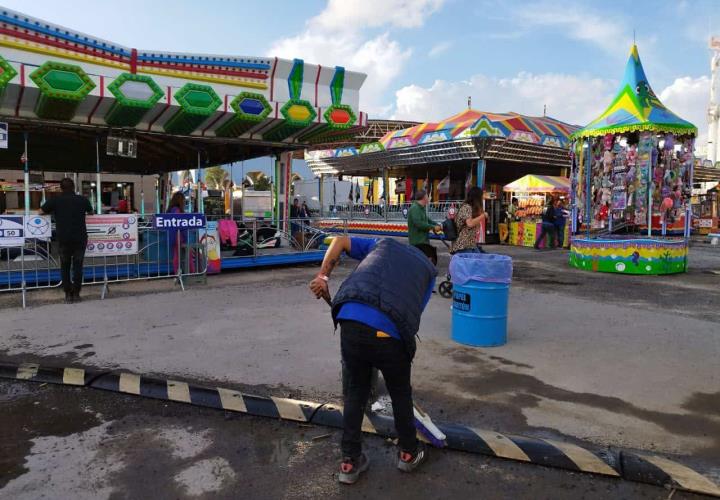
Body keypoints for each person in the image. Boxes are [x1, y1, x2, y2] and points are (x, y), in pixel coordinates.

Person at [309, 236, 436, 485]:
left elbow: (340, 241)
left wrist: (323, 277)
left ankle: (349, 461)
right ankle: (409, 453)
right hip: (389, 328)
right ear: (431, 259)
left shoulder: (384, 244)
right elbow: (411, 316)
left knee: (355, 391)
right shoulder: (428, 271)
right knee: (399, 391)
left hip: (350, 315)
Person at [40, 178, 93, 303]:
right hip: (80, 238)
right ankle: (77, 294)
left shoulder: (55, 200)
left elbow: (40, 212)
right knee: (78, 266)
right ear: (74, 187)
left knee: (65, 266)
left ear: (61, 188)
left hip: (63, 238)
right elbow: (91, 212)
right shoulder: (82, 200)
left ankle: (68, 294)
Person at [407, 189, 441, 265]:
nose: (429, 198)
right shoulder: (415, 208)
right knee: (423, 262)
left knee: (426, 261)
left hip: (423, 241)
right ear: (424, 198)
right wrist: (433, 227)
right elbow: (419, 224)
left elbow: (427, 220)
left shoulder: (421, 208)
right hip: (418, 242)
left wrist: (436, 225)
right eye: (427, 196)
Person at [450, 186, 487, 254]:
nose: (483, 198)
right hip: (463, 246)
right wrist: (483, 216)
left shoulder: (470, 208)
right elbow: (470, 224)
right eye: (482, 196)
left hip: (470, 245)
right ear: (477, 198)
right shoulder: (466, 207)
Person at [166, 192, 189, 274]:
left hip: (173, 235)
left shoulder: (171, 210)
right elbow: (180, 224)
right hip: (179, 236)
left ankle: (178, 273)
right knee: (182, 255)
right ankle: (187, 273)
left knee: (176, 255)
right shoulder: (177, 210)